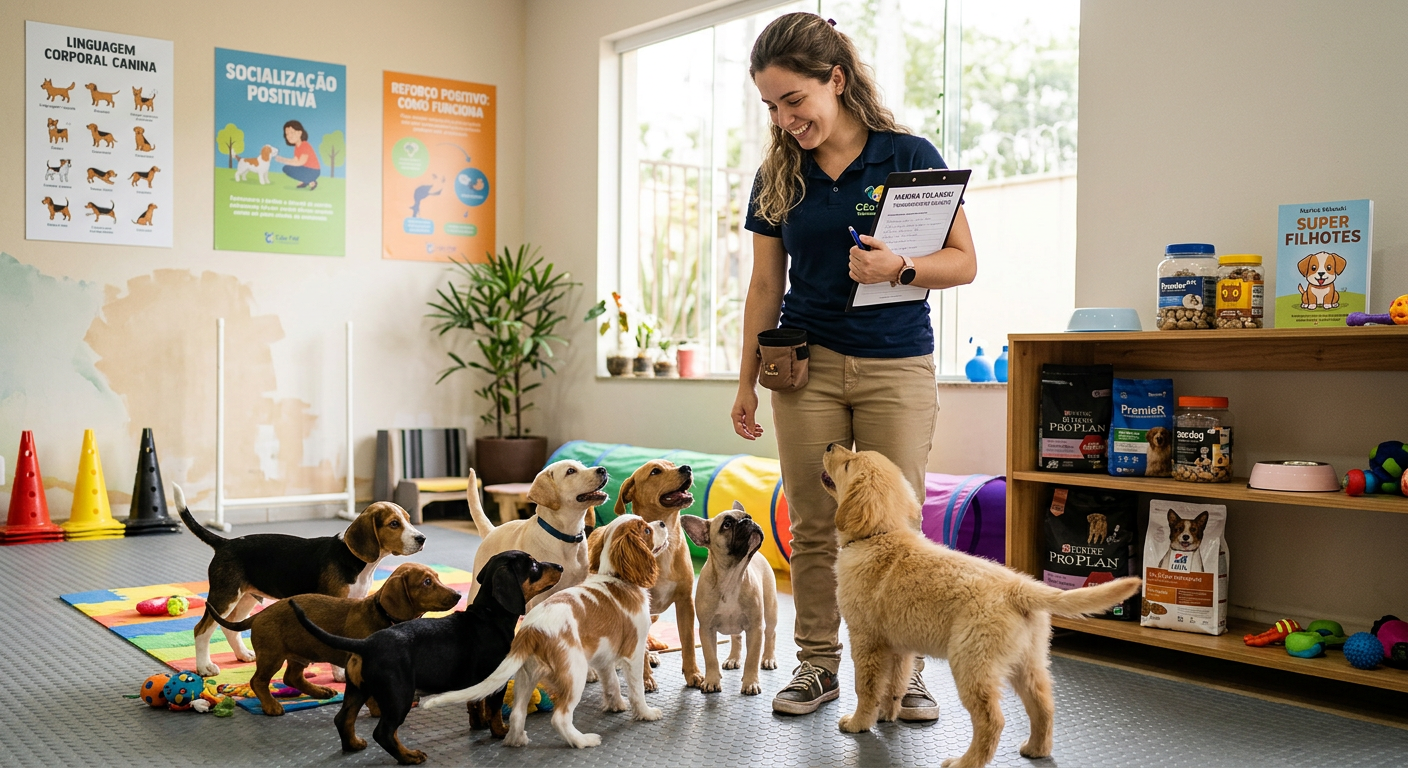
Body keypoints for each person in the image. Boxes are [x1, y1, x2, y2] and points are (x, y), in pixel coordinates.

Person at [731, 12, 978, 718]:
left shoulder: (908, 155)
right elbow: (763, 286)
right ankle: (817, 665)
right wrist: (745, 380)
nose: (785, 120)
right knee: (812, 524)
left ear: (835, 80)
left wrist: (900, 266)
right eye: (771, 108)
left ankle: (907, 669)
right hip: (803, 367)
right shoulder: (778, 175)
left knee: (898, 527)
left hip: (896, 362)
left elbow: (963, 263)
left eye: (794, 101)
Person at [273, 120, 320, 190]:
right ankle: (306, 180)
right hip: (305, 169)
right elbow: (295, 160)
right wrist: (282, 159)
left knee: (287, 168)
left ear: (299, 133)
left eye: (292, 132)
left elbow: (300, 162)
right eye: (287, 134)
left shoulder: (305, 145)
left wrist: (283, 160)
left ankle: (311, 181)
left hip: (313, 171)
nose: (289, 136)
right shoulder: (297, 147)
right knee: (287, 168)